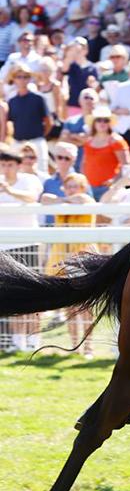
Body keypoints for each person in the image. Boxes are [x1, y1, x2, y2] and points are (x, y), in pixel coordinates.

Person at [40, 171, 96, 358]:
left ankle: (88, 346)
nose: (72, 190)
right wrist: (63, 200)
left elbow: (82, 200)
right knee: (69, 306)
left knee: (86, 307)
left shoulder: (85, 199)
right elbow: (44, 198)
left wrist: (65, 199)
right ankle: (74, 346)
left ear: (82, 187)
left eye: (75, 186)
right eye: (69, 186)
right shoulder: (62, 202)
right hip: (62, 257)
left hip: (83, 257)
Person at [0, 146, 42, 353]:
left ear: (18, 165)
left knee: (32, 291)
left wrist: (8, 190)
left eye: (10, 164)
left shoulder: (29, 180)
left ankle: (34, 338)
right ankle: (16, 340)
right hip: (3, 246)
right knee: (9, 292)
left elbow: (32, 197)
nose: (6, 168)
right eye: (3, 164)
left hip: (27, 243)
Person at [6, 64, 51, 174]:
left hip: (36, 142)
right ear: (14, 79)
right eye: (19, 76)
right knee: (17, 174)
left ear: (30, 78)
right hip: (18, 143)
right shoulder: (12, 101)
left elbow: (49, 122)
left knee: (41, 173)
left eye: (25, 76)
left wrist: (39, 137)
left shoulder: (38, 98)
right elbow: (10, 124)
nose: (22, 80)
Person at [81, 106, 130, 200]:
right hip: (89, 188)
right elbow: (84, 163)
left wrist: (115, 181)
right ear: (94, 123)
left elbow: (127, 165)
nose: (102, 123)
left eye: (106, 120)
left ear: (110, 123)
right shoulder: (88, 141)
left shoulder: (116, 141)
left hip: (110, 189)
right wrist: (84, 180)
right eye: (99, 120)